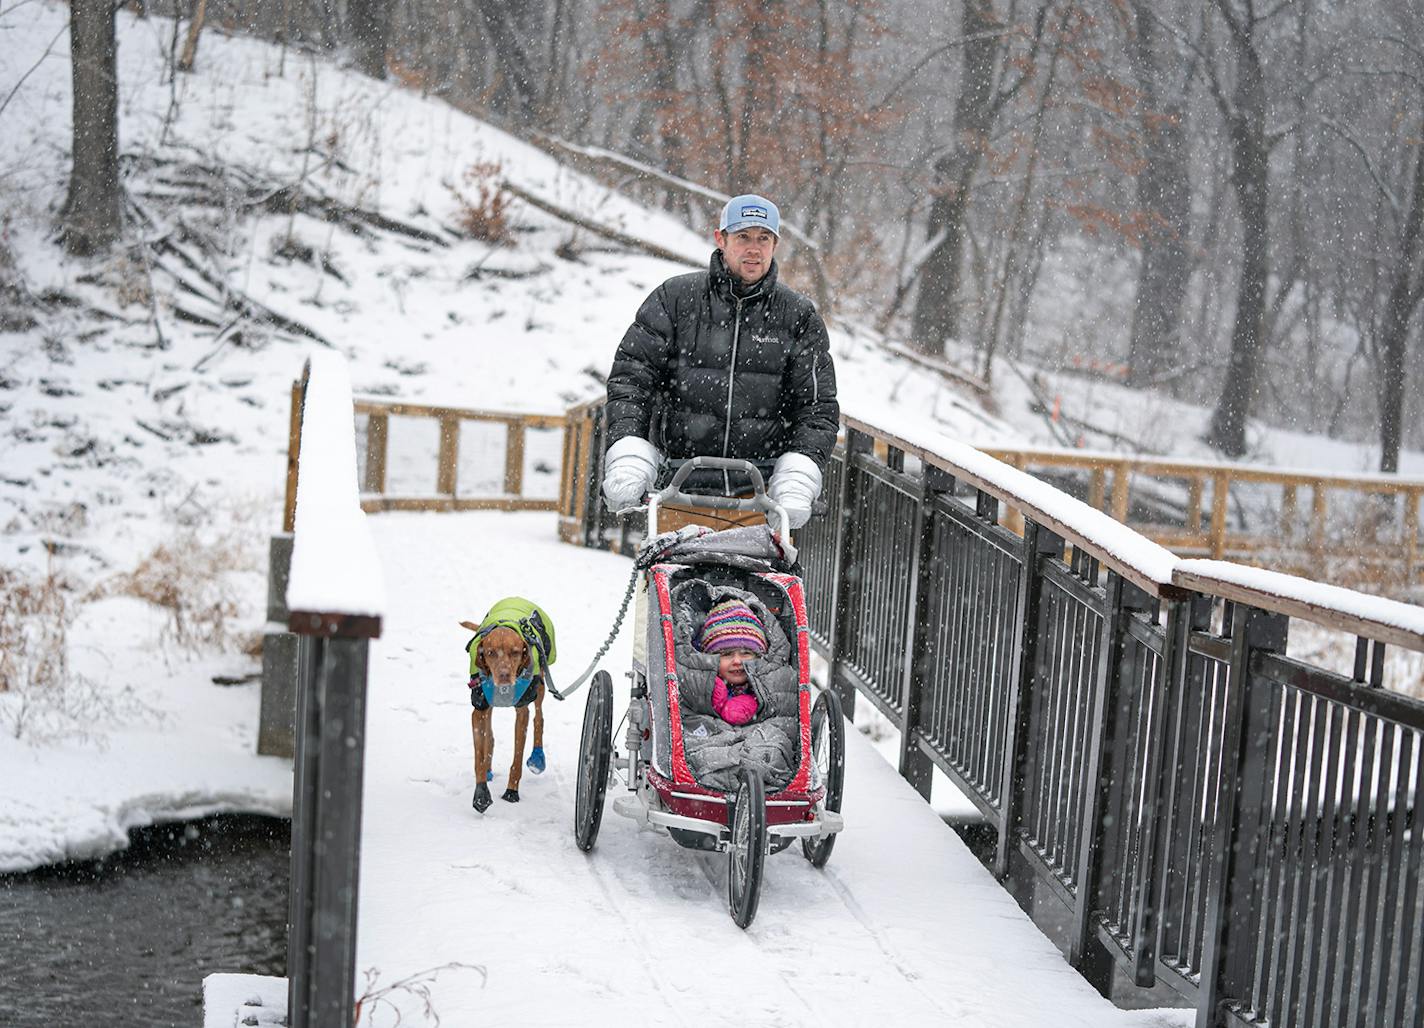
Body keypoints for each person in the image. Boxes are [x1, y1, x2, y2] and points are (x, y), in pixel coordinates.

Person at [601, 194, 839, 532]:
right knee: (668, 583)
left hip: (760, 501)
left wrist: (798, 477)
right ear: (721, 239)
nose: (754, 249)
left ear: (775, 244)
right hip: (677, 492)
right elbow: (631, 382)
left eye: (764, 238)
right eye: (743, 237)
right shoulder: (675, 299)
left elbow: (816, 408)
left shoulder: (797, 316)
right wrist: (630, 455)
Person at [696, 598, 769, 727]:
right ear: (711, 660)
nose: (737, 661)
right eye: (727, 654)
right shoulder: (698, 686)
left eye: (746, 653)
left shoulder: (767, 688)